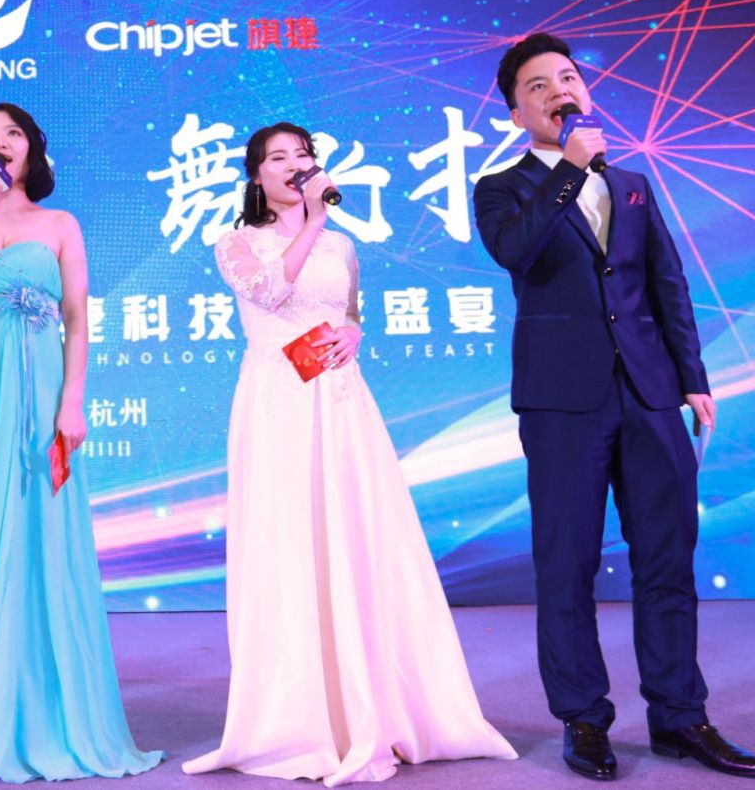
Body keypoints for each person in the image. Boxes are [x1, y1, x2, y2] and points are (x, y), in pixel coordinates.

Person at [472, 33, 755, 781]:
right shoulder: (503, 188)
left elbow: (667, 282)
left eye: (568, 77)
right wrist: (569, 172)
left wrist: (692, 377)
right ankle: (584, 719)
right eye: (538, 85)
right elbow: (517, 253)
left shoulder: (633, 184)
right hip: (561, 402)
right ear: (515, 113)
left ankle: (680, 716)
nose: (559, 90)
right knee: (566, 565)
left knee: (667, 560)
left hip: (649, 392)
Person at [184, 123, 515, 787]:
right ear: (256, 176)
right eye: (279, 158)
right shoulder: (235, 242)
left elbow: (351, 310)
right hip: (279, 402)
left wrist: (355, 332)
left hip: (339, 401)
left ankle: (379, 705)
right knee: (292, 542)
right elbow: (272, 293)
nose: (295, 165)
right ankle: (298, 719)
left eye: (303, 155)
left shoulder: (342, 245)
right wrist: (312, 219)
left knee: (360, 539)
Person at [0, 103, 162, 783]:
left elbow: (77, 318)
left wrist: (72, 400)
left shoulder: (59, 224)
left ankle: (39, 710)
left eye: (12, 134)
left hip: (36, 392)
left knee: (34, 535)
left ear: (32, 150)